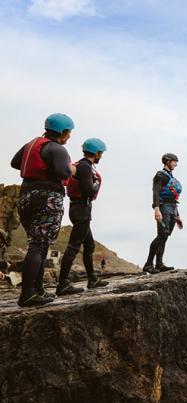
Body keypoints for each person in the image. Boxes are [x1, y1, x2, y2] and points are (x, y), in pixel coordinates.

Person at [10, 113, 76, 307]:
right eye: (69, 132)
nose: (69, 136)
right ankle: (28, 294)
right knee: (39, 245)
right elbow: (64, 172)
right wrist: (71, 169)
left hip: (26, 196)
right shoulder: (57, 148)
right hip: (47, 196)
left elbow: (15, 163)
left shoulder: (31, 144)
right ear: (63, 132)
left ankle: (38, 290)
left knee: (38, 242)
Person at [56, 138, 108, 295]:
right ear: (97, 153)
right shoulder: (85, 167)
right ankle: (63, 284)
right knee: (73, 246)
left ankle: (92, 279)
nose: (101, 156)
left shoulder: (81, 165)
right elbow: (88, 190)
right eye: (101, 154)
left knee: (90, 245)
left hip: (78, 208)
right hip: (81, 209)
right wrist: (96, 184)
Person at [143, 153, 183, 274]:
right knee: (161, 235)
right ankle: (148, 264)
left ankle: (159, 264)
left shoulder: (170, 177)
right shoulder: (160, 175)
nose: (176, 164)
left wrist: (178, 216)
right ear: (168, 161)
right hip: (163, 207)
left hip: (173, 208)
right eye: (174, 161)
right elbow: (155, 192)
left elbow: (174, 198)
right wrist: (156, 209)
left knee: (165, 236)